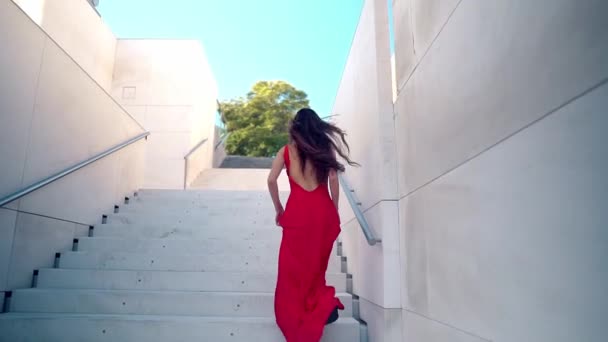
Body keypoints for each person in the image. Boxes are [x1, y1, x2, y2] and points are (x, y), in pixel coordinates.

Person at [267, 108, 359, 342]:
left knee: (292, 270)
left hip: (297, 213)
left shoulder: (286, 151)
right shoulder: (323, 150)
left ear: (295, 126)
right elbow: (334, 179)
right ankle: (317, 307)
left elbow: (271, 180)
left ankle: (297, 318)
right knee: (316, 269)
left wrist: (279, 207)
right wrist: (334, 210)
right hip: (321, 213)